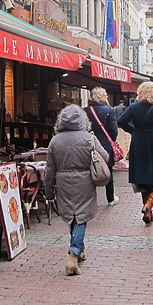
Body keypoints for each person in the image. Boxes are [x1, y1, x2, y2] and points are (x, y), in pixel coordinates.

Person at [44, 105, 108, 275]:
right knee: (81, 217)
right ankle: (73, 255)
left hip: (63, 183)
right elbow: (106, 157)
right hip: (85, 182)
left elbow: (49, 171)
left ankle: (80, 249)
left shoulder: (55, 141)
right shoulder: (89, 138)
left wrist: (49, 192)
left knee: (72, 216)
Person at [117, 81, 153, 224]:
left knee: (143, 177)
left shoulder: (134, 107)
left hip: (139, 143)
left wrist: (134, 130)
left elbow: (121, 121)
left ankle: (148, 210)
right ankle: (148, 206)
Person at [84, 87, 120, 206]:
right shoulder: (109, 110)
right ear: (103, 96)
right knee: (107, 171)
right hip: (105, 144)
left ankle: (90, 200)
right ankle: (110, 198)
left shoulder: (85, 110)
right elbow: (114, 131)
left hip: (88, 143)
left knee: (90, 169)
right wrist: (112, 140)